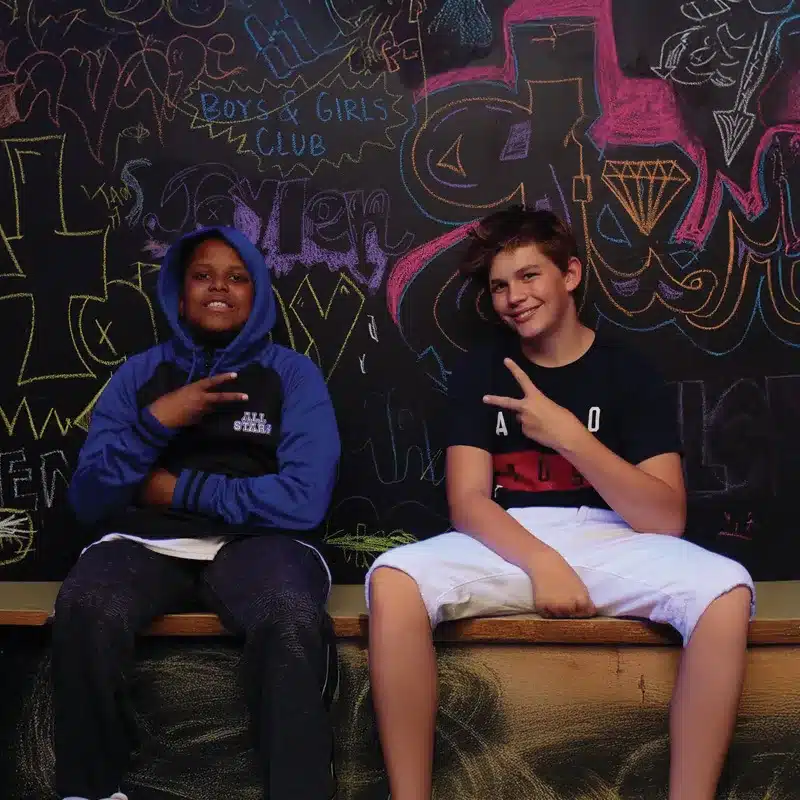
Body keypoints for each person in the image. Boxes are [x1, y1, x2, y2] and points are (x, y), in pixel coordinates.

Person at [366, 206, 755, 800]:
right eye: (499, 285)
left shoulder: (628, 372)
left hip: (614, 537)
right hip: (505, 537)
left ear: (569, 275)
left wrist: (570, 435)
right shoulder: (480, 372)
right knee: (393, 579)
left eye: (528, 276)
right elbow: (467, 502)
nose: (512, 297)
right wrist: (543, 562)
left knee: (726, 592)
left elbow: (665, 517)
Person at [54, 225, 341, 800]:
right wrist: (157, 420)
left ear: (257, 294)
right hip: (145, 544)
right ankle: (91, 791)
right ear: (179, 293)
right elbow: (88, 499)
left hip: (258, 542)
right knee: (87, 604)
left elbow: (304, 498)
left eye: (237, 278)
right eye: (203, 276)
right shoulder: (140, 376)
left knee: (288, 611)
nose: (220, 289)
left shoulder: (292, 375)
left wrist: (177, 489)